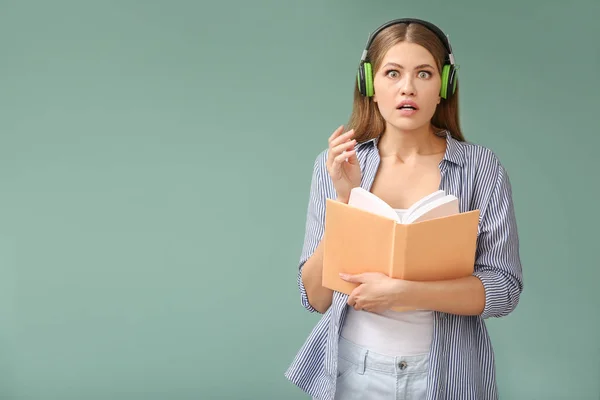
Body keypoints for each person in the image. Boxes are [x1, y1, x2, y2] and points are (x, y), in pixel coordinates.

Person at [284, 18, 523, 400]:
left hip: (446, 374)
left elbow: (503, 289)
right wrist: (347, 201)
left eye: (424, 73)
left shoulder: (482, 168)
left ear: (444, 86)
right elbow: (315, 297)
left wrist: (404, 293)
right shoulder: (335, 165)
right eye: (392, 73)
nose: (407, 88)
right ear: (370, 86)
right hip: (352, 371)